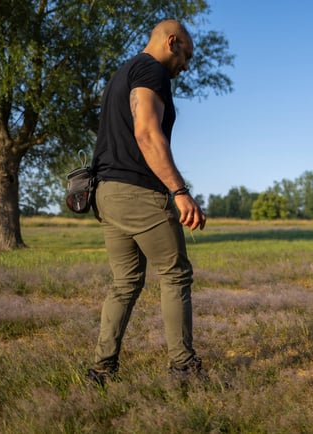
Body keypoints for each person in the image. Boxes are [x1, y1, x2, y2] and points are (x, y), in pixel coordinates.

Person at [87, 19, 206, 386]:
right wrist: (180, 190)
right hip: (136, 192)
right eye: (186, 55)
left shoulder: (122, 73)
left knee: (125, 282)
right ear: (172, 42)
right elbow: (146, 132)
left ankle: (102, 370)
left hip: (106, 192)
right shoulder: (151, 70)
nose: (185, 66)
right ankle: (184, 369)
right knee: (175, 275)